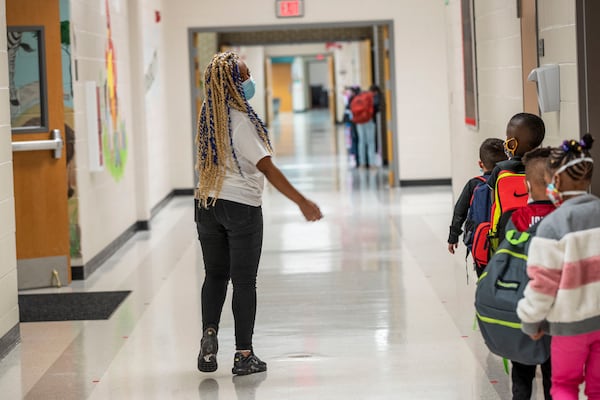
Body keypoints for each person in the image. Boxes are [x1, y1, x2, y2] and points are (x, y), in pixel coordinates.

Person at [194, 51, 323, 376]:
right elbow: (268, 169)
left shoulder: (208, 115)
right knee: (244, 281)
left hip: (206, 205)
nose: (251, 81)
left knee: (215, 275)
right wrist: (302, 201)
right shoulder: (240, 121)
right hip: (241, 208)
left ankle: (209, 335)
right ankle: (243, 354)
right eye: (246, 75)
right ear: (235, 83)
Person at [517, 134, 600, 400]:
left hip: (569, 326)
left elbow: (543, 283)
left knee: (565, 385)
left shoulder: (553, 226)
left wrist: (531, 320)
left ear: (558, 180)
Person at [507, 147, 554, 400]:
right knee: (554, 377)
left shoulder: (515, 218)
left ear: (526, 185)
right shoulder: (562, 217)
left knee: (522, 377)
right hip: (557, 313)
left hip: (524, 306)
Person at [447, 138, 506, 254]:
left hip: (481, 242)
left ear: (480, 164)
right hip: (506, 239)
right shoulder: (509, 182)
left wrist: (453, 237)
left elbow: (459, 211)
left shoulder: (474, 184)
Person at [350, 87, 376, 168]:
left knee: (361, 142)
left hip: (359, 121)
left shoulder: (356, 98)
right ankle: (372, 164)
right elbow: (374, 108)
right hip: (368, 120)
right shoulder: (370, 97)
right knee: (370, 142)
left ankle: (362, 164)